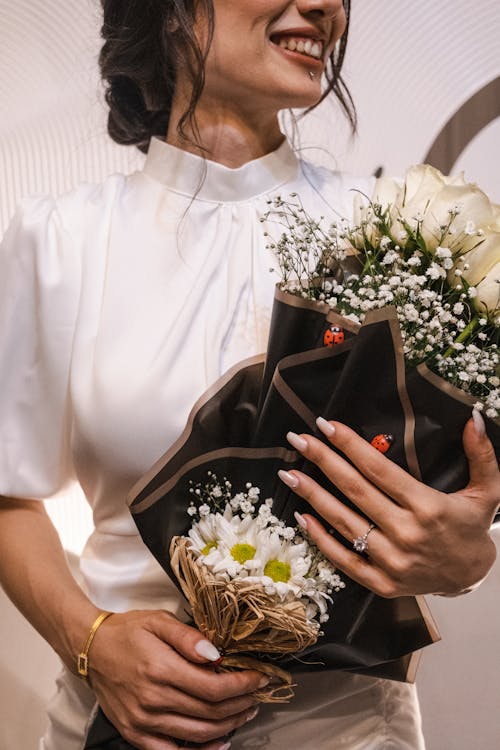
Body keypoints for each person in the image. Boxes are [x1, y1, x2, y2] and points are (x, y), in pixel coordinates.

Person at [0, 1, 498, 749]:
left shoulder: (395, 236)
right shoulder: (58, 238)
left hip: (349, 730)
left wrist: (468, 556)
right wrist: (92, 640)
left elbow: (466, 494)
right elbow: (11, 493)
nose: (326, 5)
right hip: (117, 725)